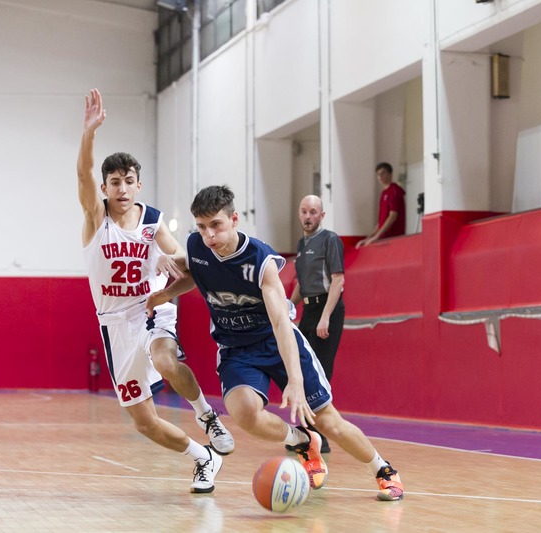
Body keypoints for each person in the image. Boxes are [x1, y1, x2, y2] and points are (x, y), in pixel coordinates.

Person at [148, 185, 404, 502]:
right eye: (202, 227)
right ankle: (301, 441)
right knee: (244, 413)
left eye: (216, 225)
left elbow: (282, 323)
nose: (209, 235)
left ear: (234, 219)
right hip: (236, 349)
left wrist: (294, 381)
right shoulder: (198, 246)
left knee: (327, 420)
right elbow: (196, 271)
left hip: (276, 341)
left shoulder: (260, 260)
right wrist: (165, 290)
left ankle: (383, 469)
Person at [77, 89, 233, 493]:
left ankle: (206, 414)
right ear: (104, 188)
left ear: (138, 185)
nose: (123, 189)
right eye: (115, 182)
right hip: (115, 325)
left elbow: (184, 260)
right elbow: (82, 174)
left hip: (152, 308)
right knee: (144, 423)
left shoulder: (152, 220)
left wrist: (169, 258)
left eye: (129, 181)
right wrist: (89, 133)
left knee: (164, 359)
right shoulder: (96, 220)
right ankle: (204, 457)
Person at [287, 195, 345, 454]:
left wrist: (325, 317)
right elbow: (302, 283)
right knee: (302, 369)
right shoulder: (302, 244)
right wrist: (287, 307)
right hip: (309, 310)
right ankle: (307, 431)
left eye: (313, 212)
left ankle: (320, 436)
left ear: (321, 215)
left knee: (320, 372)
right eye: (304, 211)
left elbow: (338, 280)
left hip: (327, 310)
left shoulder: (330, 240)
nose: (308, 216)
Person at [355, 162, 406, 248]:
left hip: (393, 239)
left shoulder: (395, 191)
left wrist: (376, 236)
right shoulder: (383, 193)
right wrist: (368, 238)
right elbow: (381, 222)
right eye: (378, 174)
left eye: (383, 173)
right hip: (383, 238)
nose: (380, 176)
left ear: (390, 174)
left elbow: (392, 216)